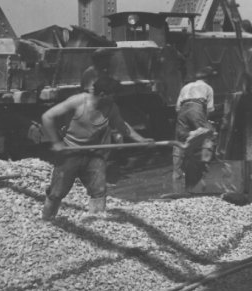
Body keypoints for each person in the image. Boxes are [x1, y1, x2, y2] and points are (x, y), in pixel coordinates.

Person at [41, 76, 152, 220]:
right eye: (113, 95)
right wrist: (56, 142)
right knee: (57, 192)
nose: (115, 98)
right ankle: (47, 220)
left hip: (94, 155)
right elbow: (47, 117)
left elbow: (123, 127)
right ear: (102, 94)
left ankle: (97, 224)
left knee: (99, 191)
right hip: (70, 152)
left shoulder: (111, 108)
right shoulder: (79, 101)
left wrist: (141, 140)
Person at [173, 65, 218, 194]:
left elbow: (177, 108)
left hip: (182, 111)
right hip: (197, 108)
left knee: (181, 139)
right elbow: (210, 110)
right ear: (208, 79)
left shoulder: (185, 87)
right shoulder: (208, 88)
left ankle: (178, 189)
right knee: (208, 135)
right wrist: (206, 125)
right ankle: (203, 165)